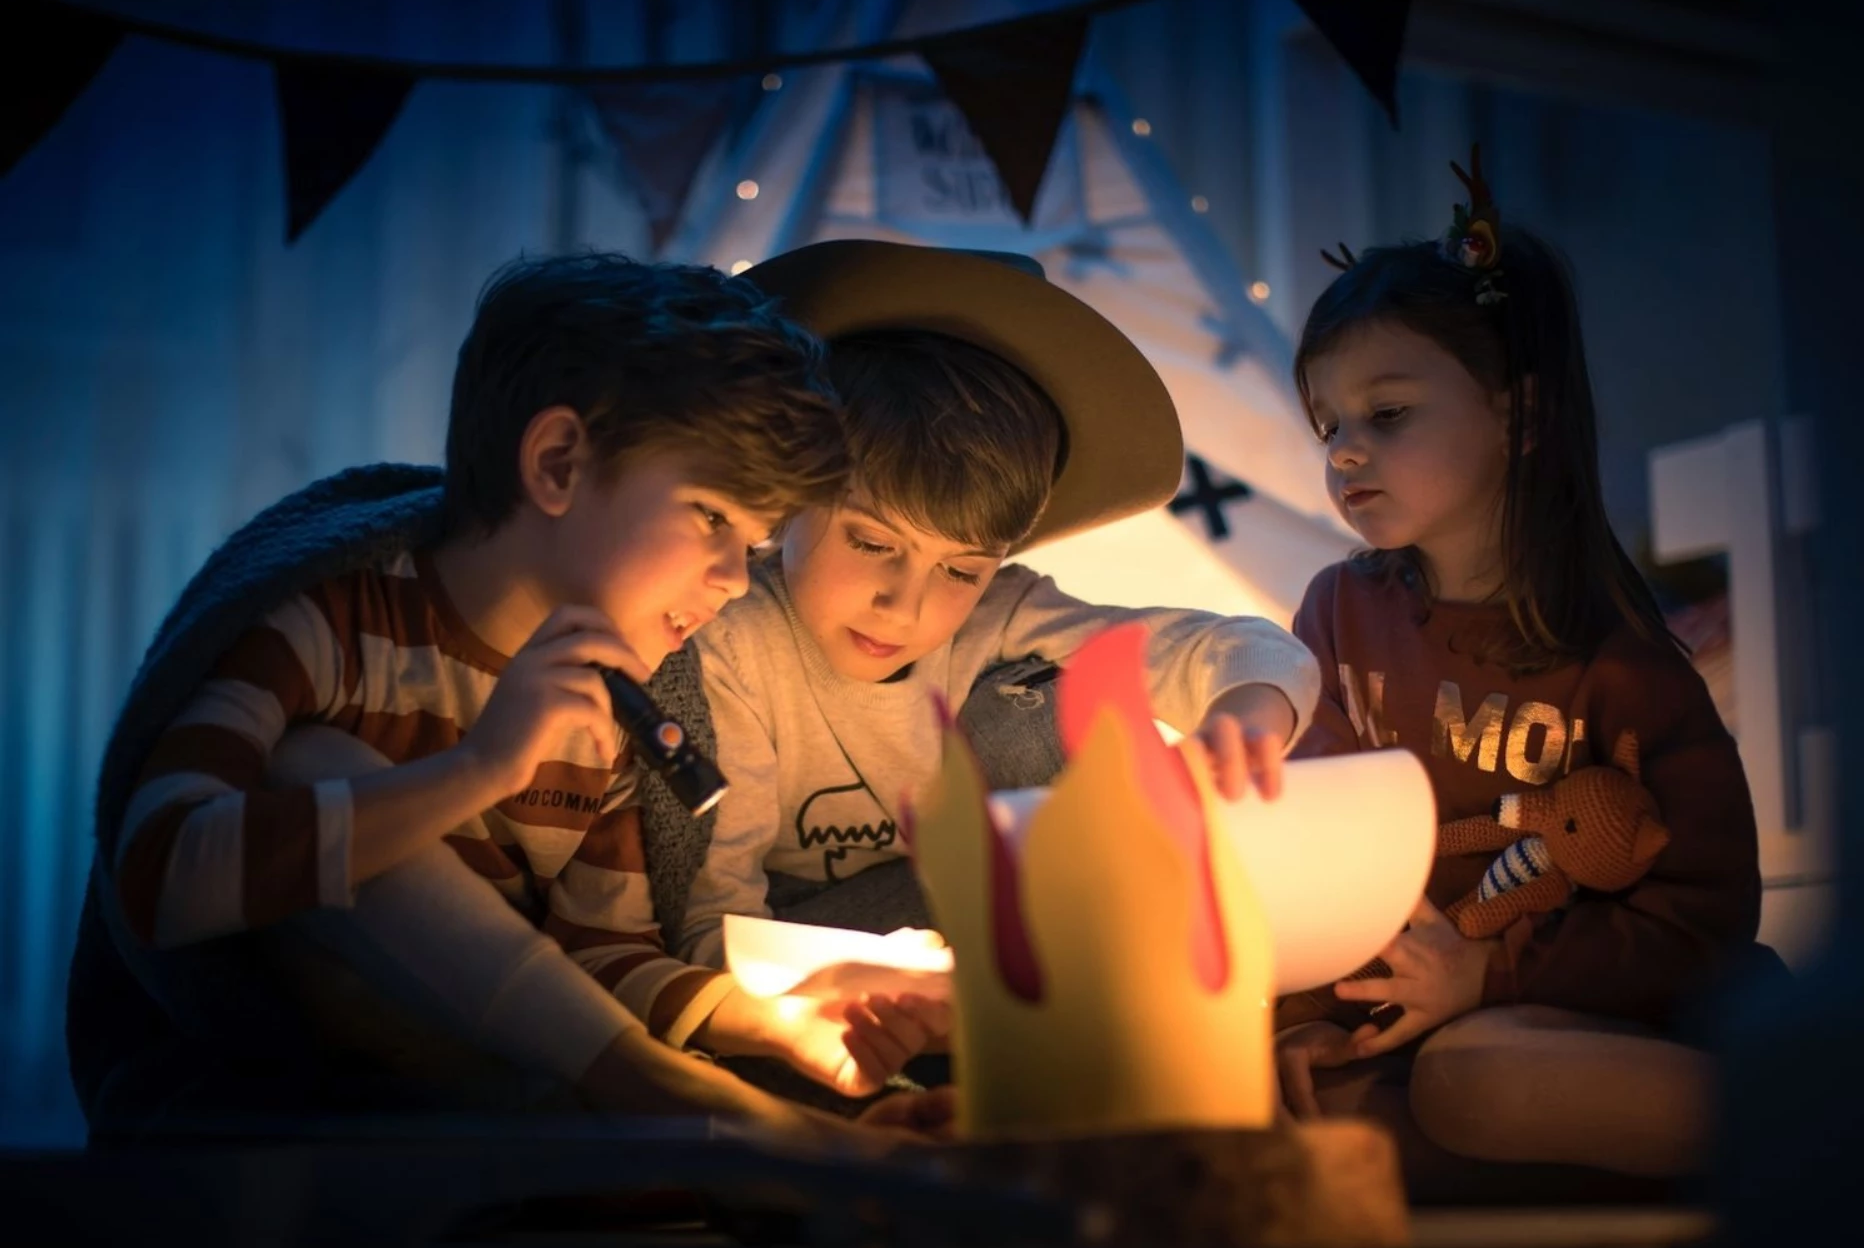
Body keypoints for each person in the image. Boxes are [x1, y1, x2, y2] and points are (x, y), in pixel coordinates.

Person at [66, 253, 946, 1147]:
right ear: (558, 462)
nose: (732, 580)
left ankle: (758, 1131)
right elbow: (156, 874)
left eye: (752, 545)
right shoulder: (331, 626)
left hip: (490, 1084)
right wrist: (482, 768)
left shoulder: (613, 704)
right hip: (305, 1075)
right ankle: (754, 1129)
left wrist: (779, 1019)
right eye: (713, 516)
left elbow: (600, 955)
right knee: (311, 760)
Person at [1270, 152, 1772, 1181]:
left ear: (1523, 417)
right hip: (1429, 1021)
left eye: (1387, 414)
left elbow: (1704, 919)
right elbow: (1315, 857)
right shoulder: (1338, 614)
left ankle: (1811, 1129)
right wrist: (1304, 1018)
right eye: (1330, 425)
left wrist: (1489, 975)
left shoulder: (1618, 661)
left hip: (1597, 1021)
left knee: (1474, 1082)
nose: (1345, 451)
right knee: (1285, 1100)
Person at [672, 241, 1320, 1016]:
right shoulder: (731, 643)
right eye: (871, 543)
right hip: (796, 946)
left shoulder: (1000, 614)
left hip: (966, 920)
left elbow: (1220, 646)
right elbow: (714, 927)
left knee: (1042, 707)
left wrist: (1247, 709)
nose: (904, 606)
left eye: (960, 570)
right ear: (791, 495)